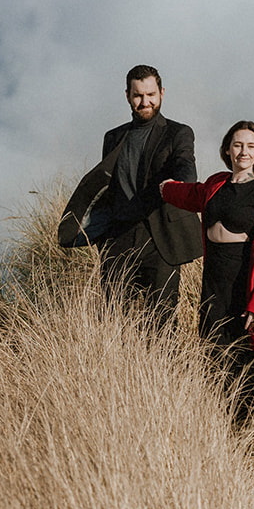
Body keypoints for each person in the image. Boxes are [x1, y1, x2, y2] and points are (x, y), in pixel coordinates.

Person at [160, 121, 254, 388]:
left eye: (251, 146)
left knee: (245, 362)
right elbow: (193, 194)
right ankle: (216, 420)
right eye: (238, 145)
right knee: (212, 357)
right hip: (212, 284)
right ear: (227, 149)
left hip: (243, 285)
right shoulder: (217, 184)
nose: (244, 152)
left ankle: (248, 422)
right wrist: (165, 188)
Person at [57, 65, 203, 324]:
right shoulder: (113, 137)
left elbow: (185, 164)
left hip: (160, 239)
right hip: (118, 238)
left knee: (162, 320)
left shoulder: (178, 132)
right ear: (127, 95)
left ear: (162, 93)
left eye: (150, 94)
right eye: (138, 95)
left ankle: (160, 366)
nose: (144, 101)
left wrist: (179, 182)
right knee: (112, 318)